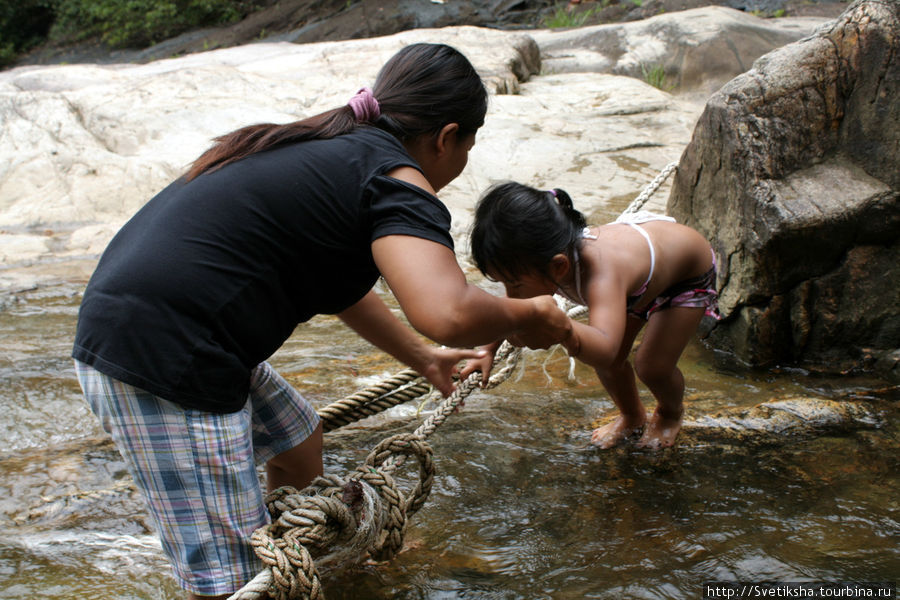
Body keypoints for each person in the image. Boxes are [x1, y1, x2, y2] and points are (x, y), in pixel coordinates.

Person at [72, 44, 573, 599]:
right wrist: (532, 311)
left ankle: (318, 564)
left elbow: (344, 293)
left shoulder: (334, 148)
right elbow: (448, 311)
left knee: (298, 440)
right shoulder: (394, 178)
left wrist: (422, 358)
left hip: (161, 328)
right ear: (447, 136)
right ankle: (256, 574)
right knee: (230, 580)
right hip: (166, 355)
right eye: (468, 147)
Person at [461, 182, 719, 451]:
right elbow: (514, 306)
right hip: (637, 285)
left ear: (559, 266)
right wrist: (486, 350)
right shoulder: (544, 262)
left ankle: (670, 413)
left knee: (651, 366)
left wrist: (564, 329)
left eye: (513, 285)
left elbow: (605, 348)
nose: (510, 294)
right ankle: (632, 416)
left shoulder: (600, 273)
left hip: (685, 276)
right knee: (610, 362)